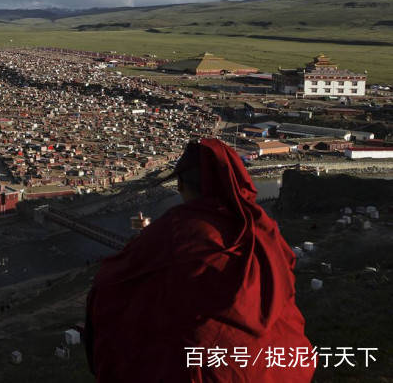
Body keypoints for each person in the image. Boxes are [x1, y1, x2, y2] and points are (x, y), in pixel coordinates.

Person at [85, 138, 314, 382]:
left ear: (181, 185)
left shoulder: (176, 230)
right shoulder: (261, 229)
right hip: (283, 365)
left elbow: (110, 284)